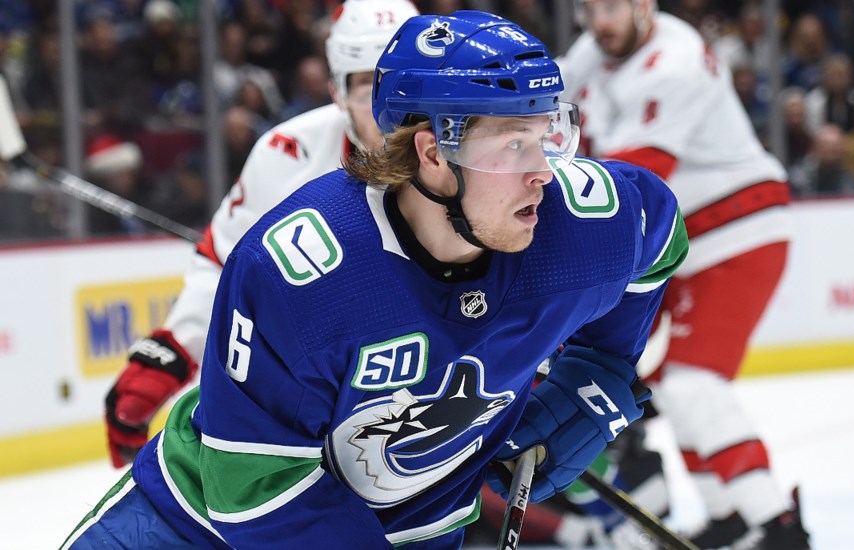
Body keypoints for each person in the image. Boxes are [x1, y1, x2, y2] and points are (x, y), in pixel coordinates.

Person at [64, 10, 688, 549]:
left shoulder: (575, 225)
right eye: (511, 146)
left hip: (408, 529)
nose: (544, 175)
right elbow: (253, 482)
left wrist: (599, 369)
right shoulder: (304, 273)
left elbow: (656, 233)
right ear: (433, 153)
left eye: (547, 135)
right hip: (198, 524)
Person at [103, 0, 421, 469]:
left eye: (405, 87)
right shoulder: (289, 152)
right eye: (365, 87)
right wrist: (169, 353)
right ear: (336, 91)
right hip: (327, 398)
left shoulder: (469, 158)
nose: (388, 109)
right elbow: (225, 262)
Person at [557, 1, 809, 548]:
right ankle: (729, 517)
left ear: (644, 5)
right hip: (686, 241)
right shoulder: (590, 50)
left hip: (739, 230)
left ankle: (780, 526)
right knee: (673, 386)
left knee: (696, 383)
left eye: (612, 7)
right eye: (589, 8)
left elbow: (635, 179)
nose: (600, 22)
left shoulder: (676, 62)